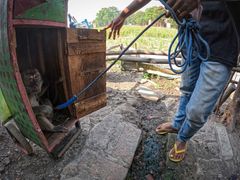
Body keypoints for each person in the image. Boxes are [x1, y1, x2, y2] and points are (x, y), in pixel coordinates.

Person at [106, 0, 239, 162]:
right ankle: (177, 124)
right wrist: (123, 15)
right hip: (191, 36)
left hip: (223, 42)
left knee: (198, 110)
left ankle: (183, 138)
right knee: (187, 88)